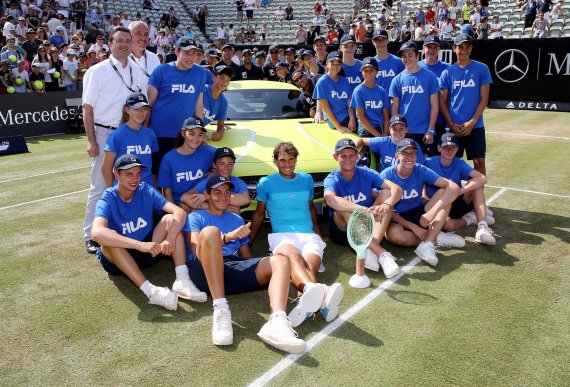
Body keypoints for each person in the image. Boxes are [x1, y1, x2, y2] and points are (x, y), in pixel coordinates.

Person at [184, 175, 308, 352]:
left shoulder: (236, 219)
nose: (223, 196)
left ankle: (277, 321)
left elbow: (246, 258)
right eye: (217, 192)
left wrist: (267, 271)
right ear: (207, 195)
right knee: (211, 232)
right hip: (204, 269)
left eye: (227, 193)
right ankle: (221, 310)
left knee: (280, 261)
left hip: (231, 267)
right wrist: (228, 237)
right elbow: (197, 249)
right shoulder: (195, 217)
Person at [91, 154, 206, 311]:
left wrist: (170, 238)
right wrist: (139, 245)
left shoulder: (145, 189)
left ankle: (182, 279)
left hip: (148, 250)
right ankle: (151, 291)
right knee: (109, 239)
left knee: (171, 220)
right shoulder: (108, 198)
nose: (135, 179)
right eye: (129, 174)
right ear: (116, 174)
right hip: (119, 258)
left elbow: (179, 212)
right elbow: (96, 233)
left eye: (138, 174)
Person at [249, 143, 344, 326]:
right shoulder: (266, 183)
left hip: (308, 235)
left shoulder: (306, 179)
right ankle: (320, 295)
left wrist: (318, 233)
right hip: (282, 236)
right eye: (282, 160)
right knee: (293, 258)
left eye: (291, 159)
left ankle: (306, 305)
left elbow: (310, 208)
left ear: (296, 160)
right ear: (275, 161)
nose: (287, 163)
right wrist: (249, 241)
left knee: (309, 267)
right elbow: (259, 214)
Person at [82, 26, 148, 254]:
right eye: (118, 40)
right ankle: (91, 234)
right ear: (110, 44)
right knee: (101, 186)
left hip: (129, 133)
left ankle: (123, 230)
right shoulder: (97, 71)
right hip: (104, 132)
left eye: (127, 41)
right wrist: (92, 141)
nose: (123, 44)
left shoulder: (137, 71)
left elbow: (144, 105)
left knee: (130, 184)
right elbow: (87, 108)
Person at [324, 138, 402, 278]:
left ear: (357, 156)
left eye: (351, 155)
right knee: (344, 208)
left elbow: (396, 189)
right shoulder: (332, 178)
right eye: (343, 156)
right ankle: (382, 254)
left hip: (367, 224)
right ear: (336, 157)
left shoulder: (366, 172)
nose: (348, 159)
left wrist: (386, 204)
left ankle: (370, 249)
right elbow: (329, 199)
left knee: (387, 194)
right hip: (343, 230)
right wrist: (362, 209)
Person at [380, 139, 464, 266]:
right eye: (405, 153)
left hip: (419, 213)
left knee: (444, 194)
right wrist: (411, 226)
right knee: (393, 235)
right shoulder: (387, 175)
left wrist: (432, 212)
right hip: (396, 217)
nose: (410, 157)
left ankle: (428, 243)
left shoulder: (420, 169)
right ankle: (435, 236)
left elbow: (454, 188)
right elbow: (384, 209)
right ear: (397, 155)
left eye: (413, 153)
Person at [147, 37, 208, 177]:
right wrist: (144, 131)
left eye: (194, 53)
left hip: (184, 136)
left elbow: (199, 106)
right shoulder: (161, 71)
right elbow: (149, 104)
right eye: (187, 53)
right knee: (157, 175)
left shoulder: (200, 73)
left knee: (181, 176)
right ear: (177, 51)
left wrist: (201, 132)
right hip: (159, 134)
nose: (191, 57)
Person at [424, 133, 495, 245]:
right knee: (449, 226)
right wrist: (424, 196)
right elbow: (419, 179)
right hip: (439, 203)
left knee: (476, 185)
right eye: (445, 147)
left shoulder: (459, 162)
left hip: (456, 201)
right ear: (439, 148)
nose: (449, 150)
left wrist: (459, 191)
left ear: (457, 149)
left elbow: (482, 178)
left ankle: (482, 226)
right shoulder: (429, 162)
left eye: (453, 147)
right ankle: (472, 218)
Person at [439, 34, 492, 175]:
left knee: (479, 161)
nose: (464, 50)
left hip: (475, 126)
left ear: (471, 48)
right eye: (460, 47)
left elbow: (484, 100)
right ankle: (453, 195)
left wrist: (472, 122)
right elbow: (442, 102)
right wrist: (451, 124)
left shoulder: (482, 69)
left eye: (467, 47)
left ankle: (476, 195)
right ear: (454, 49)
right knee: (451, 162)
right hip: (453, 127)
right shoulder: (447, 72)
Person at [389, 41, 439, 155]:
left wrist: (430, 130)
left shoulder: (430, 77)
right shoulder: (397, 80)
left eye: (410, 55)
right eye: (404, 56)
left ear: (417, 56)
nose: (407, 58)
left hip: (425, 132)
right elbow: (394, 108)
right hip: (405, 132)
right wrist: (397, 130)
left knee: (425, 167)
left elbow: (435, 106)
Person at [158, 116, 216, 211]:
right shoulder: (169, 159)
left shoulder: (208, 152)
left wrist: (215, 173)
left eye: (200, 135)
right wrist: (175, 214)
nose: (196, 139)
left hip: (203, 201)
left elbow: (226, 160)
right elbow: (166, 191)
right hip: (181, 206)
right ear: (183, 133)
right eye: (192, 134)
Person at [102, 92, 158, 188]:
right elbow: (106, 169)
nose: (141, 113)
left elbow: (154, 166)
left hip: (147, 189)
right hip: (125, 191)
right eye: (136, 109)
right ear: (127, 110)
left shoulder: (150, 134)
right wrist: (114, 191)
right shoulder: (117, 136)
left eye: (144, 109)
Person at [182, 147, 249, 214]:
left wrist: (209, 198)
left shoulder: (238, 182)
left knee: (235, 209)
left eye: (230, 164)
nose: (226, 168)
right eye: (222, 164)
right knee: (186, 205)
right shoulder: (209, 181)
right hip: (210, 218)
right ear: (214, 165)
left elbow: (246, 199)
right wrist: (214, 206)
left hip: (227, 219)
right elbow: (184, 197)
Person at [355, 114, 426, 172]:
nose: (398, 132)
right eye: (394, 129)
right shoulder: (383, 142)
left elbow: (421, 169)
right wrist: (353, 152)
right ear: (389, 130)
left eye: (401, 128)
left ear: (406, 130)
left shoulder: (413, 145)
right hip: (386, 184)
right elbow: (361, 140)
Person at [418, 35, 450, 154]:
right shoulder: (416, 67)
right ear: (423, 47)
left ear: (438, 49)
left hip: (441, 120)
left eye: (434, 47)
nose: (431, 50)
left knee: (440, 156)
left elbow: (449, 97)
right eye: (429, 47)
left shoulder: (447, 69)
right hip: (421, 121)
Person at [313, 51, 355, 133]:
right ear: (327, 63)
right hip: (335, 119)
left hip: (347, 116)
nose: (335, 66)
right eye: (332, 63)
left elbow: (349, 103)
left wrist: (352, 118)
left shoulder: (344, 80)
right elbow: (326, 108)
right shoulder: (322, 82)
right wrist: (339, 127)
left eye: (338, 64)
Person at [350, 57, 390, 137]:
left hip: (380, 128)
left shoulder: (382, 91)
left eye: (371, 70)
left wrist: (385, 136)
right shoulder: (358, 91)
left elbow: (386, 117)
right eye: (365, 70)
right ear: (361, 72)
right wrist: (379, 137)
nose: (368, 73)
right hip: (366, 129)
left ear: (376, 72)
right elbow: (361, 118)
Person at [129, 21, 161, 86]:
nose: (143, 38)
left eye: (146, 34)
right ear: (129, 35)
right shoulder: (121, 58)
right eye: (138, 33)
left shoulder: (154, 58)